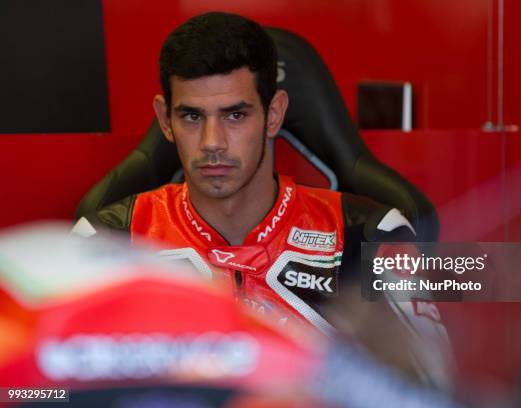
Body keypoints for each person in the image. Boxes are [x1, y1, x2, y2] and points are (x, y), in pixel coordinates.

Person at [74, 11, 421, 333]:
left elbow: (430, 385)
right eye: (192, 116)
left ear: (273, 114)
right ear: (165, 120)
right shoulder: (102, 240)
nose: (213, 142)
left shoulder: (376, 236)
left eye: (235, 115)